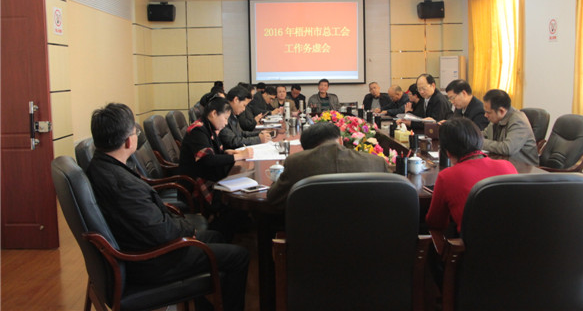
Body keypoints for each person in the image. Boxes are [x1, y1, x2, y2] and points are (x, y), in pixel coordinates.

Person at [86, 103, 249, 311]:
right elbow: (160, 231)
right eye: (136, 133)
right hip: (154, 261)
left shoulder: (102, 166)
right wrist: (188, 229)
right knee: (239, 256)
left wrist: (184, 227)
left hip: (145, 246)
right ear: (128, 141)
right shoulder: (121, 184)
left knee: (215, 236)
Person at [178, 97, 255, 239]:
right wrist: (238, 156)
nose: (226, 123)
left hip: (208, 175)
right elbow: (207, 160)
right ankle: (217, 236)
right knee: (234, 202)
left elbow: (213, 152)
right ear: (214, 113)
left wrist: (226, 153)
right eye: (225, 118)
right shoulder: (198, 130)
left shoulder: (209, 127)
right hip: (196, 184)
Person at [426, 118, 517, 234]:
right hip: (519, 240)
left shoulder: (446, 177)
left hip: (476, 243)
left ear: (447, 152)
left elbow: (435, 223)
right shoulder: (508, 166)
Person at [267, 122, 388, 209]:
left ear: (307, 149)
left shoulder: (296, 163)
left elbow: (273, 199)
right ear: (340, 140)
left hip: (311, 235)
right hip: (368, 234)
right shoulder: (377, 162)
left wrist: (276, 178)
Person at [482, 89, 539, 166]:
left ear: (501, 111)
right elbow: (484, 134)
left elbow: (507, 148)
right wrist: (470, 138)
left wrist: (480, 143)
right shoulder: (496, 119)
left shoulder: (518, 120)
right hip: (504, 164)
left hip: (524, 168)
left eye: (488, 112)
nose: (485, 115)